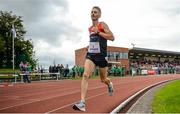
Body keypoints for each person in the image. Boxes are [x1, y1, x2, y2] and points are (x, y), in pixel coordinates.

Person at [73, 6, 115, 111]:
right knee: (86, 75)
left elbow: (112, 37)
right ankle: (82, 103)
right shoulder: (89, 28)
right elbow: (94, 39)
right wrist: (90, 46)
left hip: (102, 56)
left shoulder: (102, 25)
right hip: (91, 55)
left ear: (99, 15)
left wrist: (99, 32)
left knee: (103, 79)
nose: (93, 13)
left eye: (95, 12)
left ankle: (109, 83)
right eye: (91, 12)